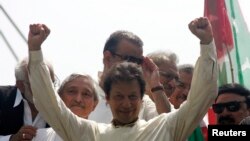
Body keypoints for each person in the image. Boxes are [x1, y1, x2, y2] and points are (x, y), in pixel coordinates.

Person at [28, 16, 218, 141]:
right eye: (119, 96)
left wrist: (207, 43)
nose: (126, 103)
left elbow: (202, 96)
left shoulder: (163, 128)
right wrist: (35, 52)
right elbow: (50, 104)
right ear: (106, 100)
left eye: (133, 97)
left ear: (141, 97)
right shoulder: (90, 133)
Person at [89, 30, 170, 122]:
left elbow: (167, 122)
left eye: (138, 62)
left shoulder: (140, 101)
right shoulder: (83, 93)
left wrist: (155, 84)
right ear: (107, 58)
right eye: (129, 59)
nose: (133, 66)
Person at [0, 57, 55, 141]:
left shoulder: (61, 105)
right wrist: (11, 139)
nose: (47, 90)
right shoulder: (2, 97)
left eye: (51, 84)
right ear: (20, 85)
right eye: (39, 85)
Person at [32, 73, 100, 141]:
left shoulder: (105, 137)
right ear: (59, 98)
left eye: (86, 94)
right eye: (72, 91)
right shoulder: (38, 137)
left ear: (95, 104)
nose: (78, 99)